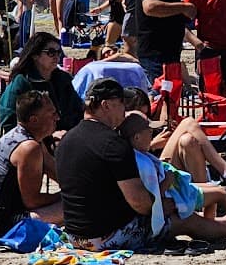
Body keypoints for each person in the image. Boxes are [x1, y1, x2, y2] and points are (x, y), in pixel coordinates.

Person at [119, 113, 226, 243]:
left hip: (176, 192)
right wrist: (167, 181)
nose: (152, 134)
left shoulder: (135, 155)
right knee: (221, 194)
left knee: (217, 188)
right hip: (175, 197)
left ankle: (221, 223)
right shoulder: (141, 163)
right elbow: (150, 197)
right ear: (137, 137)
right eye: (149, 131)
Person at [57, 77, 157, 250]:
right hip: (105, 237)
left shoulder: (66, 140)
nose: (124, 110)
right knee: (176, 222)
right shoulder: (113, 144)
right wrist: (158, 207)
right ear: (106, 105)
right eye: (121, 103)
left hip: (74, 236)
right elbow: (139, 202)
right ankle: (221, 227)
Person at [0, 90, 64, 238]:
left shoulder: (24, 137)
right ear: (34, 120)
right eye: (51, 114)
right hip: (1, 224)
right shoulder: (28, 147)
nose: (57, 117)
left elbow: (60, 175)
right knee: (80, 207)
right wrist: (64, 196)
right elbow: (32, 201)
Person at [0, 31, 84, 133]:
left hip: (67, 137)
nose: (57, 56)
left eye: (58, 52)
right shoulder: (22, 81)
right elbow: (8, 119)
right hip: (34, 140)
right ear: (35, 55)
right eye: (51, 52)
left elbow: (78, 110)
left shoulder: (63, 79)